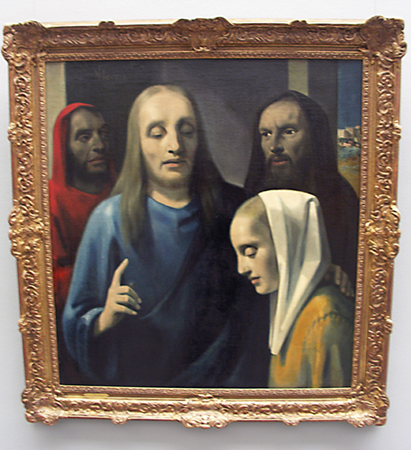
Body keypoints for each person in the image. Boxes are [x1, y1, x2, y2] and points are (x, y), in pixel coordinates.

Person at [62, 85, 268, 387]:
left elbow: (265, 301)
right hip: (143, 388)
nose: (175, 145)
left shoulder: (235, 209)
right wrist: (104, 318)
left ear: (199, 139)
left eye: (186, 131)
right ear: (138, 144)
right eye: (157, 134)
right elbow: (75, 321)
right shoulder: (108, 220)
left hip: (226, 385)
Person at [230, 190, 354, 388]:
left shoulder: (327, 319)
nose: (241, 269)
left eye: (251, 252)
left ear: (287, 243)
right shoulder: (286, 310)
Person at [245, 91, 359, 292]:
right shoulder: (249, 201)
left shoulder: (342, 198)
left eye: (289, 132)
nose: (274, 146)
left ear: (314, 136)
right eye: (266, 134)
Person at [49, 103, 117, 384]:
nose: (99, 145)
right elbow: (52, 277)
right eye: (84, 137)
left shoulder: (120, 192)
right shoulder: (51, 200)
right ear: (64, 146)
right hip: (77, 325)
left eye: (103, 134)